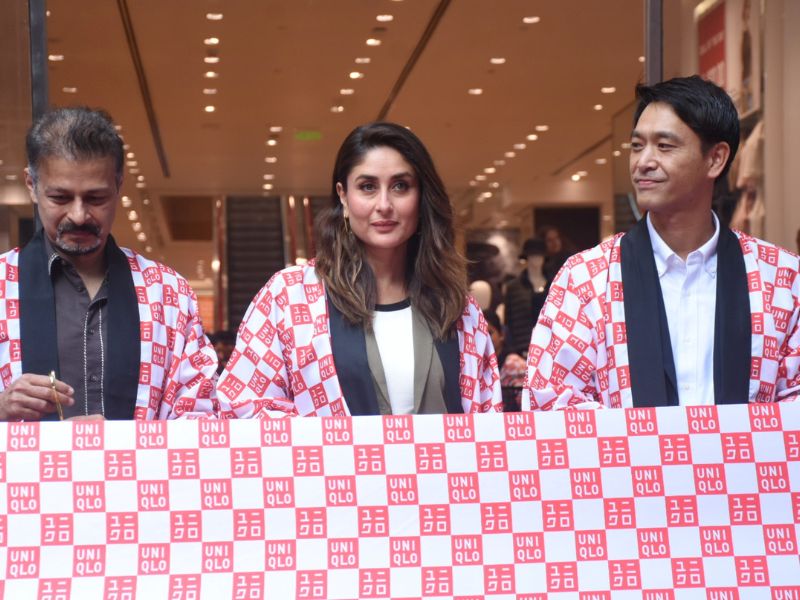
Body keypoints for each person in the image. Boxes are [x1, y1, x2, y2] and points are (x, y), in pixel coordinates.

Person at [524, 76, 800, 410]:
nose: (643, 162)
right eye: (637, 146)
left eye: (664, 146)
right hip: (623, 449)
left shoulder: (781, 279)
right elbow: (552, 401)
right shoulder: (586, 279)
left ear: (716, 159)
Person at [217, 122, 502, 417]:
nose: (384, 204)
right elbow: (243, 407)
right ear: (343, 195)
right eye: (368, 187)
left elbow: (487, 419)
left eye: (400, 186)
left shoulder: (458, 306)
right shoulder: (290, 297)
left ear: (421, 196)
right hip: (324, 451)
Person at [0, 107, 219, 421]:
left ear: (118, 185)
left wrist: (120, 442)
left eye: (96, 199)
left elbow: (201, 414)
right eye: (60, 198)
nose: (78, 215)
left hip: (141, 458)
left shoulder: (167, 293)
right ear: (31, 185)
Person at [503, 237, 548, 356]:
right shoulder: (513, 287)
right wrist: (512, 350)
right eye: (533, 255)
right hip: (522, 349)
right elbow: (509, 322)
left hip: (550, 348)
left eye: (539, 255)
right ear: (527, 257)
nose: (536, 259)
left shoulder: (554, 285)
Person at [484, 310, 525, 411]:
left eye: (490, 333)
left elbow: (525, 406)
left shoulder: (514, 364)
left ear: (502, 334)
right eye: (481, 335)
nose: (485, 339)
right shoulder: (479, 367)